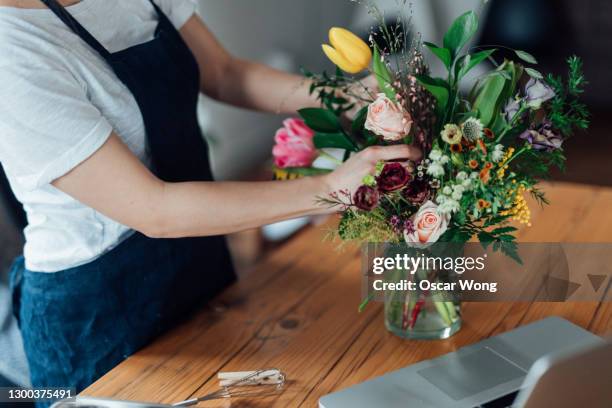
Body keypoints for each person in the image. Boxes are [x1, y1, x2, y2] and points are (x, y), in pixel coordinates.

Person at [0, 0, 421, 400]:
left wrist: (349, 99)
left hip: (197, 256)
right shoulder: (12, 52)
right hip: (99, 312)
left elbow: (223, 74)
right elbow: (153, 209)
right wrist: (331, 189)